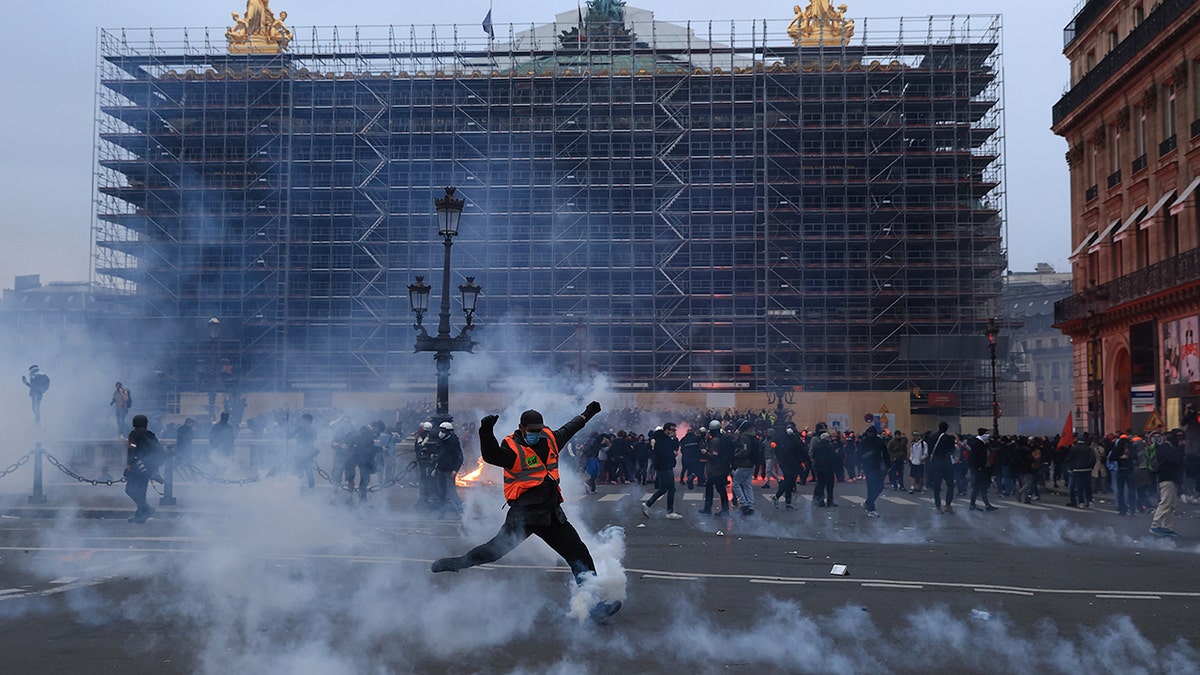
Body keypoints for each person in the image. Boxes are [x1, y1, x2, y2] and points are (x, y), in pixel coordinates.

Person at [431, 402, 622, 622]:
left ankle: (593, 607)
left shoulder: (549, 438)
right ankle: (457, 563)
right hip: (524, 515)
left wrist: (588, 413)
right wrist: (486, 431)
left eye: (539, 430)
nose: (536, 434)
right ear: (522, 428)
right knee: (494, 551)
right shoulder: (512, 448)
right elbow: (492, 455)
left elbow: (569, 428)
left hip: (551, 514)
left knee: (579, 554)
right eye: (532, 431)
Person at [125, 414, 164, 523]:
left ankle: (147, 508)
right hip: (149, 467)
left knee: (130, 490)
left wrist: (129, 464)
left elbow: (132, 449)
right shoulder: (150, 434)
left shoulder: (134, 434)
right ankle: (140, 516)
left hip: (137, 467)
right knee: (142, 491)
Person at [642, 422, 683, 519]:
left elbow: (673, 447)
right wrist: (671, 456)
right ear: (667, 430)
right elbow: (664, 453)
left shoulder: (663, 439)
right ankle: (670, 511)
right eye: (672, 430)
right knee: (671, 489)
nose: (674, 432)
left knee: (663, 489)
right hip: (665, 467)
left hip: (663, 466)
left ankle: (648, 504)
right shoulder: (663, 440)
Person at [1148, 432, 1185, 537]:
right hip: (1167, 479)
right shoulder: (1167, 448)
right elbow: (1174, 462)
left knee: (1171, 505)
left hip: (1170, 479)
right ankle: (1155, 525)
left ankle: (1167, 527)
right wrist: (1181, 449)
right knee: (1165, 503)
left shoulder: (1167, 447)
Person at [699, 420, 733, 515]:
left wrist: (705, 452)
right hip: (722, 467)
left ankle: (708, 508)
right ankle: (724, 509)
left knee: (712, 488)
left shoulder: (715, 441)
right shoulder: (723, 438)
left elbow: (714, 455)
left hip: (715, 469)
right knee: (720, 489)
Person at [431, 421, 464, 517]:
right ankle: (442, 511)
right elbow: (441, 454)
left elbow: (459, 457)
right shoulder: (442, 441)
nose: (441, 432)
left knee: (452, 492)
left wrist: (455, 470)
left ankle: (461, 510)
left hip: (449, 471)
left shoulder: (453, 442)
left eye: (443, 431)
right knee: (441, 492)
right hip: (441, 469)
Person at [346, 421, 382, 504]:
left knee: (365, 480)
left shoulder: (364, 431)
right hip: (362, 459)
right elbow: (367, 448)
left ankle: (362, 500)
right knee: (365, 480)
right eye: (379, 430)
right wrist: (380, 449)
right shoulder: (367, 433)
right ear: (376, 427)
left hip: (358, 459)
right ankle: (362, 501)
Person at [730, 420, 760, 515]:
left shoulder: (744, 437)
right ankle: (751, 506)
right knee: (747, 486)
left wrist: (734, 455)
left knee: (736, 484)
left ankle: (744, 504)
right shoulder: (753, 436)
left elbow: (745, 451)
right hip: (751, 463)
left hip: (743, 464)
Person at [927, 422, 957, 514]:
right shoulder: (949, 438)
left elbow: (929, 450)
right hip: (945, 462)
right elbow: (952, 450)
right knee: (950, 484)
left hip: (935, 463)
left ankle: (938, 506)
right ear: (946, 428)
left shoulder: (931, 437)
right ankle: (948, 504)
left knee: (936, 486)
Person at [858, 425, 887, 517]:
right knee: (879, 486)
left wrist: (860, 466)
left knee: (871, 487)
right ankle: (870, 506)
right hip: (876, 467)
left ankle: (869, 503)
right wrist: (888, 465)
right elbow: (886, 454)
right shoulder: (879, 441)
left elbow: (858, 454)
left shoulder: (864, 442)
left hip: (869, 467)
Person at [771, 424, 802, 509]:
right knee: (788, 479)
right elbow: (774, 444)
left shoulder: (795, 438)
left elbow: (799, 449)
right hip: (784, 462)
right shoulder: (781, 437)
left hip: (794, 462)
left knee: (791, 482)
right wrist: (779, 457)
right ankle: (777, 496)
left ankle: (788, 502)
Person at [966, 428, 997, 512]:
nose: (988, 435)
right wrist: (977, 467)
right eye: (986, 433)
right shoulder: (977, 444)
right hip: (979, 469)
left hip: (983, 468)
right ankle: (972, 505)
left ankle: (987, 505)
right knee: (977, 487)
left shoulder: (982, 443)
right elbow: (973, 458)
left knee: (982, 487)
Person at [811, 423, 837, 507]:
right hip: (828, 468)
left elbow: (813, 454)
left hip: (819, 467)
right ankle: (829, 501)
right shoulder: (830, 447)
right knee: (829, 486)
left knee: (820, 484)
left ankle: (818, 500)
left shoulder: (817, 446)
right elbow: (834, 457)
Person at [291, 413, 318, 489]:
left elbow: (312, 441)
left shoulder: (312, 429)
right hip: (299, 454)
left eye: (305, 420)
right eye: (303, 419)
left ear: (309, 421)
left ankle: (312, 491)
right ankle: (300, 490)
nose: (303, 421)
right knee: (299, 474)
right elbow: (290, 434)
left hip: (308, 455)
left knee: (309, 474)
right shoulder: (299, 428)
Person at [679, 425, 704, 489]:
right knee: (695, 469)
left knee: (685, 469)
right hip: (695, 457)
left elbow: (680, 446)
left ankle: (683, 480)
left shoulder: (684, 439)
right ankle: (692, 479)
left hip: (685, 457)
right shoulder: (696, 438)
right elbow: (702, 437)